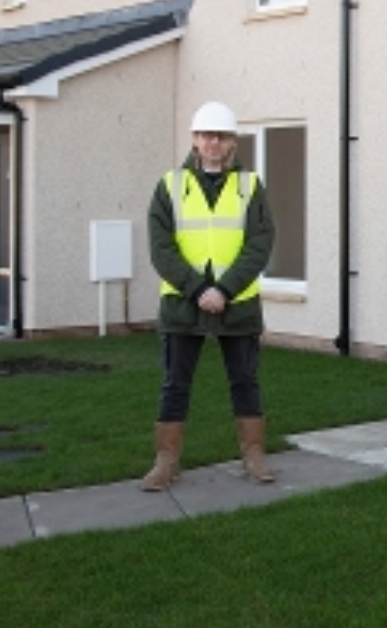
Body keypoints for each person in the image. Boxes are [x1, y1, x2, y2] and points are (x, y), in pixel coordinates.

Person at [141, 101, 277, 491]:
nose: (213, 142)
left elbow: (260, 243)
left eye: (221, 136)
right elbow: (160, 247)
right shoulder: (170, 185)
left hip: (238, 304)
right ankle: (166, 462)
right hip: (183, 303)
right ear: (195, 140)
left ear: (232, 142)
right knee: (175, 384)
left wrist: (225, 289)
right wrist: (199, 289)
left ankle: (253, 455)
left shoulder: (250, 186)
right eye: (206, 136)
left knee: (246, 382)